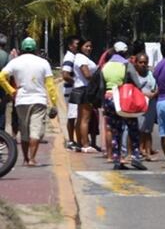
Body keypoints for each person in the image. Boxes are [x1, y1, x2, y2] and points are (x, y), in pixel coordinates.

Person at [0, 38, 58, 167]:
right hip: (39, 100)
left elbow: (1, 77)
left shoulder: (15, 62)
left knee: (24, 131)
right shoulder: (43, 63)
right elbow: (50, 86)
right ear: (35, 50)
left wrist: (11, 91)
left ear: (21, 49)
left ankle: (26, 159)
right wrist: (54, 103)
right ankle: (32, 159)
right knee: (36, 131)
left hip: (21, 100)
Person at [100, 42, 146, 171]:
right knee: (133, 128)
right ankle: (135, 157)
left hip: (109, 99)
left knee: (115, 131)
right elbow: (137, 83)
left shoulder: (105, 66)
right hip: (123, 99)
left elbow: (102, 87)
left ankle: (117, 159)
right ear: (125, 52)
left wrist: (104, 104)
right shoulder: (126, 64)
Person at [72, 39, 100, 153]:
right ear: (80, 47)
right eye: (86, 46)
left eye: (90, 46)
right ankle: (86, 144)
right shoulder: (81, 58)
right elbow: (87, 74)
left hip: (80, 88)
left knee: (80, 118)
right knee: (85, 119)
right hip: (85, 89)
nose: (89, 48)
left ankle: (80, 143)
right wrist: (97, 80)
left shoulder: (80, 57)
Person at [133, 52, 158, 161]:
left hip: (150, 105)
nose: (143, 64)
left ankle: (148, 152)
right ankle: (138, 151)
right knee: (139, 129)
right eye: (140, 62)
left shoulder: (151, 74)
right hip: (138, 105)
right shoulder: (133, 75)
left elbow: (157, 87)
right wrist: (144, 94)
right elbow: (132, 89)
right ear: (136, 63)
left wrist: (154, 94)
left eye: (145, 62)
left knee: (148, 130)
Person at [61, 36, 79, 150]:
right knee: (72, 116)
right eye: (76, 44)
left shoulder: (75, 56)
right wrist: (76, 82)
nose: (78, 46)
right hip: (71, 91)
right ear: (70, 46)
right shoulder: (69, 57)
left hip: (72, 90)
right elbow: (65, 75)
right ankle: (71, 140)